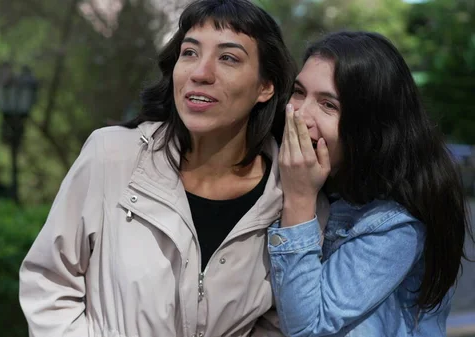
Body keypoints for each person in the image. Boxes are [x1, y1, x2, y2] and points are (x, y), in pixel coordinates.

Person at [19, 1, 327, 336]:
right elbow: (49, 283)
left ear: (265, 87)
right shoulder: (111, 155)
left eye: (228, 58)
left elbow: (281, 322)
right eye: (190, 52)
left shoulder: (294, 197)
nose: (200, 73)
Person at [267, 31, 471, 336]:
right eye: (299, 91)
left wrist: (299, 199)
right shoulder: (315, 178)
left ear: (369, 125)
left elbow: (307, 326)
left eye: (328, 105)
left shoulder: (397, 222)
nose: (300, 114)